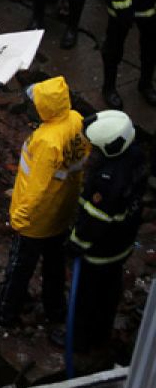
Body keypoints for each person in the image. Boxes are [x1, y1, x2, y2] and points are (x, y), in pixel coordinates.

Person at [0, 76, 88, 327]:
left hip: (37, 220)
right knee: (54, 265)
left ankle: (5, 310)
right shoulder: (75, 120)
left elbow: (37, 188)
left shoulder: (46, 142)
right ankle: (55, 309)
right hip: (60, 211)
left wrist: (20, 218)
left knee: (19, 267)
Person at [60, 111, 150, 351]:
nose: (93, 152)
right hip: (123, 243)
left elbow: (95, 218)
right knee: (109, 291)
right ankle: (101, 333)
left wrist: (76, 243)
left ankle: (80, 340)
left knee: (87, 296)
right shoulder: (136, 156)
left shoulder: (108, 179)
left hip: (100, 251)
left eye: (96, 148)